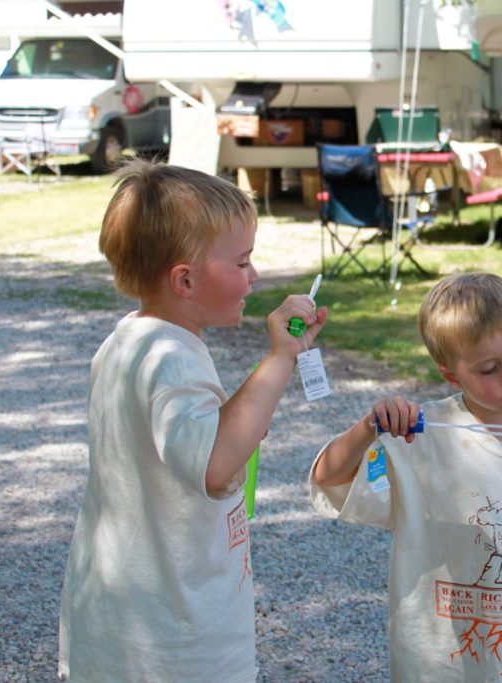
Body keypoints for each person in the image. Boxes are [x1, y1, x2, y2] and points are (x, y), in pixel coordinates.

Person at [58, 159, 327, 682]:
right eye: (242, 262)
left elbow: (196, 437)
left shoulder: (127, 342)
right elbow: (213, 461)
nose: (255, 276)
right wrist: (279, 358)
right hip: (170, 642)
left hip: (121, 619)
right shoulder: (171, 358)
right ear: (185, 279)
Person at [310, 271, 502, 682]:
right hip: (440, 657)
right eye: (489, 368)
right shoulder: (421, 435)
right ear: (451, 374)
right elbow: (329, 478)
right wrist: (369, 427)